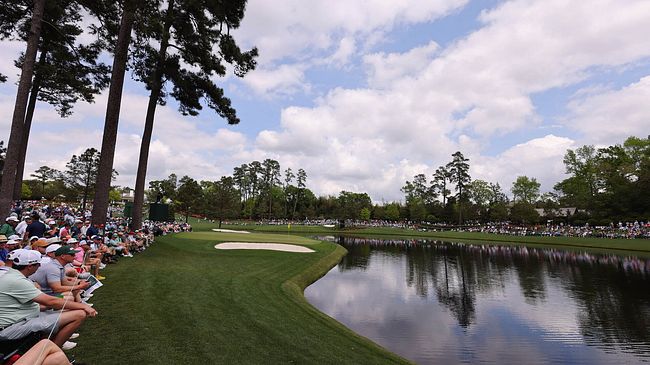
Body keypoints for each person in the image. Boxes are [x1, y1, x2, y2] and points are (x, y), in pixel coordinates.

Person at [0, 250, 97, 349]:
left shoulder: (14, 275)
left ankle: (46, 347)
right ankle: (52, 350)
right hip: (12, 327)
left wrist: (49, 306)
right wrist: (83, 306)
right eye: (38, 264)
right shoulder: (17, 280)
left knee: (66, 309)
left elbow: (42, 303)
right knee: (79, 314)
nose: (40, 267)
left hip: (20, 320)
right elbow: (51, 301)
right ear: (29, 266)